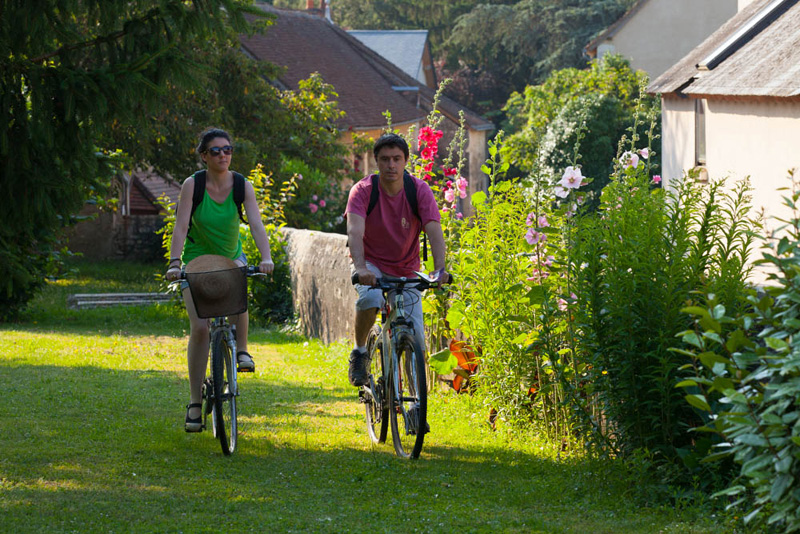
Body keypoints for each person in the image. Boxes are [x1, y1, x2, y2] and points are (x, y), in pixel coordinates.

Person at [166, 128, 274, 432]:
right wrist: (175, 264)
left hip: (230, 257)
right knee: (200, 328)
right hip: (198, 260)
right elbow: (181, 226)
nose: (223, 155)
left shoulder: (241, 185)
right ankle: (195, 403)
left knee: (240, 287)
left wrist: (266, 258)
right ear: (204, 156)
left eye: (227, 150)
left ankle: (242, 350)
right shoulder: (193, 185)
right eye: (215, 151)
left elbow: (255, 223)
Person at [345, 133, 448, 386]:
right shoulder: (363, 191)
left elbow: (434, 230)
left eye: (396, 159)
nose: (391, 165)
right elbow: (354, 231)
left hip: (407, 268)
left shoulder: (419, 190)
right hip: (371, 264)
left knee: (417, 340)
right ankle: (360, 352)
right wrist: (360, 268)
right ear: (376, 162)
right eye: (385, 159)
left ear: (405, 161)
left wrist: (440, 270)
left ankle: (415, 405)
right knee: (370, 298)